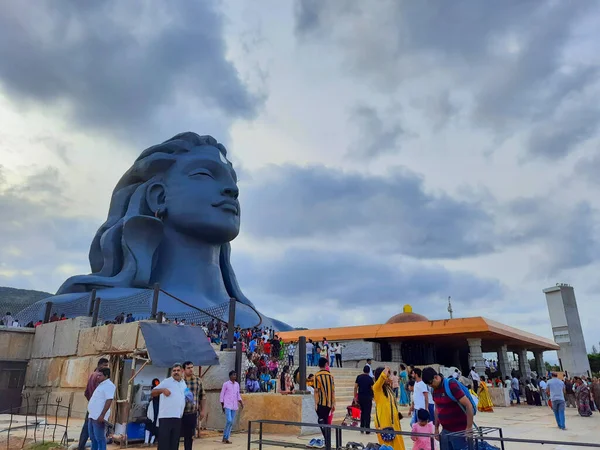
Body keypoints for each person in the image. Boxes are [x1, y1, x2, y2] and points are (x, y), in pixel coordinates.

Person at [422, 367, 474, 450]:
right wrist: (436, 428)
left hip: (460, 432)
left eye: (431, 383)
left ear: (436, 377)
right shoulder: (434, 390)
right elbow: (437, 409)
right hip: (445, 431)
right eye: (428, 384)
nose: (430, 385)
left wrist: (469, 427)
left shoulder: (451, 385)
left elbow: (468, 405)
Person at [152, 363, 187, 450]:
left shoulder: (183, 384)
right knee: (164, 444)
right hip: (166, 418)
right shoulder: (166, 381)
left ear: (182, 371)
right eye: (174, 370)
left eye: (178, 370)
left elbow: (187, 395)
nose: (176, 372)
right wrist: (162, 390)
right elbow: (153, 392)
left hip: (178, 417)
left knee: (174, 444)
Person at [78, 358, 110, 450]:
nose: (107, 368)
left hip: (92, 408)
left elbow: (86, 393)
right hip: (97, 409)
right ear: (100, 365)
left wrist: (91, 402)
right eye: (105, 366)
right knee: (99, 436)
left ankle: (81, 446)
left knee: (87, 430)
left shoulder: (92, 375)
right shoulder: (99, 377)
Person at [373, 367, 406, 450]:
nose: (389, 378)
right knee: (388, 446)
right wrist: (385, 372)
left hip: (394, 423)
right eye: (387, 376)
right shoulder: (377, 389)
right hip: (385, 424)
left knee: (398, 445)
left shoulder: (388, 389)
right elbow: (380, 381)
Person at [87, 368, 115, 450]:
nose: (98, 377)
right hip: (92, 415)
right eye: (98, 375)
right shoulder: (100, 385)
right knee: (93, 438)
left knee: (100, 439)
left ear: (106, 376)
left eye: (100, 375)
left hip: (98, 416)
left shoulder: (109, 385)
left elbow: (109, 400)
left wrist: (102, 415)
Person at [181, 362, 206, 450]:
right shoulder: (180, 381)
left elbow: (202, 396)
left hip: (192, 413)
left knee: (189, 437)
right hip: (179, 413)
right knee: (176, 436)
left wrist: (203, 410)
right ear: (183, 370)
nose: (191, 369)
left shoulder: (198, 381)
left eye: (192, 367)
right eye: (188, 368)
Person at [314, 357, 335, 449]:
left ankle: (327, 441)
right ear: (326, 365)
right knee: (326, 421)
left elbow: (316, 391)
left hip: (321, 403)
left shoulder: (317, 376)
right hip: (329, 403)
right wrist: (334, 403)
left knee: (321, 421)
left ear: (319, 365)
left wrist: (316, 403)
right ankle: (327, 441)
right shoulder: (331, 376)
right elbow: (333, 391)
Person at [220, 370, 244, 444]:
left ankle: (226, 438)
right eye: (233, 375)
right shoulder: (226, 384)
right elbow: (222, 395)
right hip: (227, 404)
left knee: (231, 422)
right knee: (229, 420)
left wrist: (241, 402)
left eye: (235, 375)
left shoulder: (237, 384)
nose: (235, 376)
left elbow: (238, 395)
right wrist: (222, 405)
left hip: (234, 405)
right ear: (230, 376)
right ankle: (224, 436)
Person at [354, 365, 374, 433]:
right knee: (367, 413)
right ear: (369, 371)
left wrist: (355, 397)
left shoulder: (359, 377)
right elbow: (372, 388)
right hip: (368, 397)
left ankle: (362, 428)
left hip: (360, 397)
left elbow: (355, 387)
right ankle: (367, 429)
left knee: (362, 412)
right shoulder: (370, 379)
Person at [145, 379, 161, 445]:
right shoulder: (154, 390)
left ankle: (151, 441)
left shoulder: (160, 390)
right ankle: (146, 441)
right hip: (153, 409)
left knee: (155, 426)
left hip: (157, 409)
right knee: (150, 424)